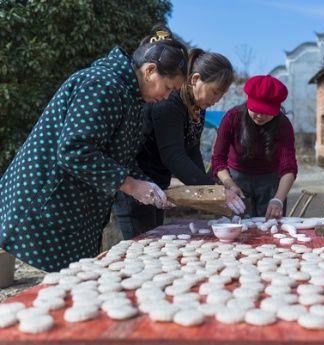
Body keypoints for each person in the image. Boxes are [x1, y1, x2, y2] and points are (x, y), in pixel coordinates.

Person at [0, 27, 189, 272]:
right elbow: (74, 151)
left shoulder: (129, 96)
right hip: (46, 207)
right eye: (169, 87)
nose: (167, 97)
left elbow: (117, 157)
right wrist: (131, 185)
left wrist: (148, 186)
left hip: (73, 211)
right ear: (150, 70)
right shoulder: (104, 85)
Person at [113, 47, 245, 240]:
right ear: (195, 79)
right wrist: (213, 191)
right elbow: (173, 156)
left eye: (221, 95)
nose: (216, 100)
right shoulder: (169, 103)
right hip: (136, 185)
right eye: (214, 91)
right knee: (143, 245)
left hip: (158, 187)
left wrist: (211, 193)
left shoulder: (197, 109)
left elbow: (191, 151)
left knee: (155, 243)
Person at [211, 75, 298, 219]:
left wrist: (278, 199)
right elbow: (218, 160)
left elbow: (289, 167)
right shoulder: (232, 118)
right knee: (234, 225)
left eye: (267, 111)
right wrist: (230, 185)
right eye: (256, 109)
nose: (260, 115)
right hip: (235, 177)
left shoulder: (283, 125)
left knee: (269, 228)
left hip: (270, 181)